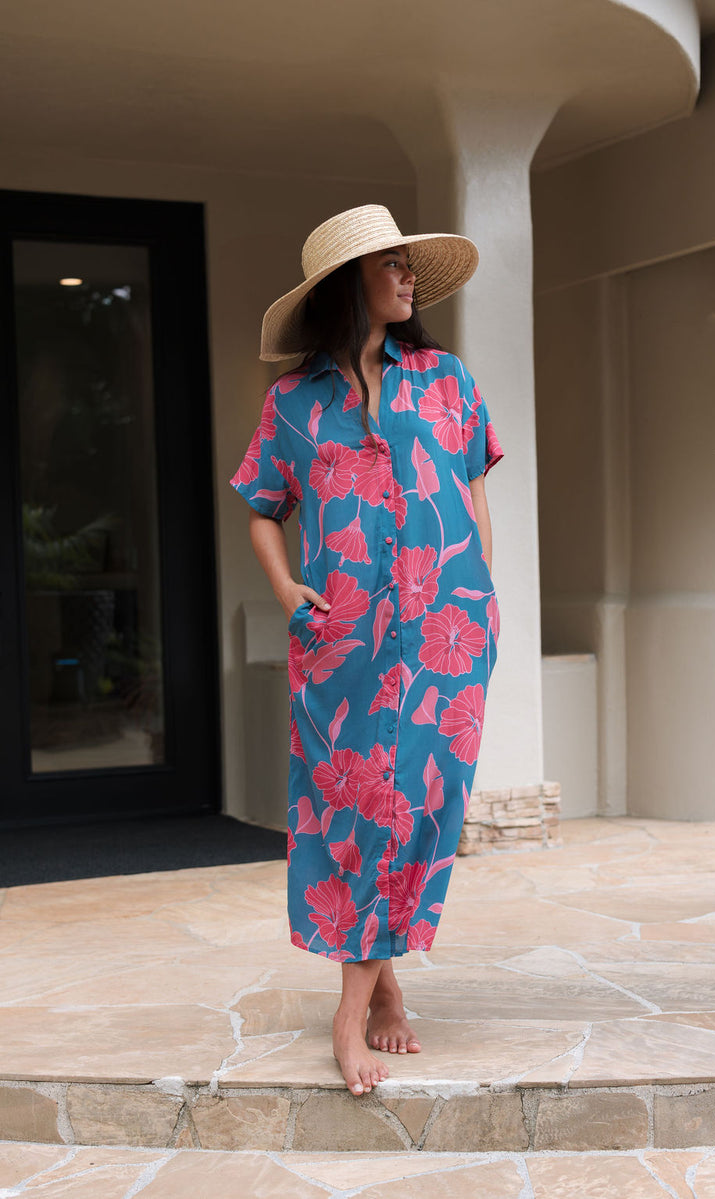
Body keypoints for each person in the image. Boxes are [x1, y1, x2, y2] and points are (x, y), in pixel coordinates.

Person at [231, 204, 502, 1097]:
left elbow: (473, 491)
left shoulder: (447, 378)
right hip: (340, 639)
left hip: (444, 639)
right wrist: (282, 588)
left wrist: (483, 593)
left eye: (406, 263)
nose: (405, 276)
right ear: (349, 286)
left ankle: (362, 999)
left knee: (416, 803)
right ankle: (369, 1004)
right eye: (387, 264)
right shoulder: (294, 404)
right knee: (352, 810)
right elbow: (264, 507)